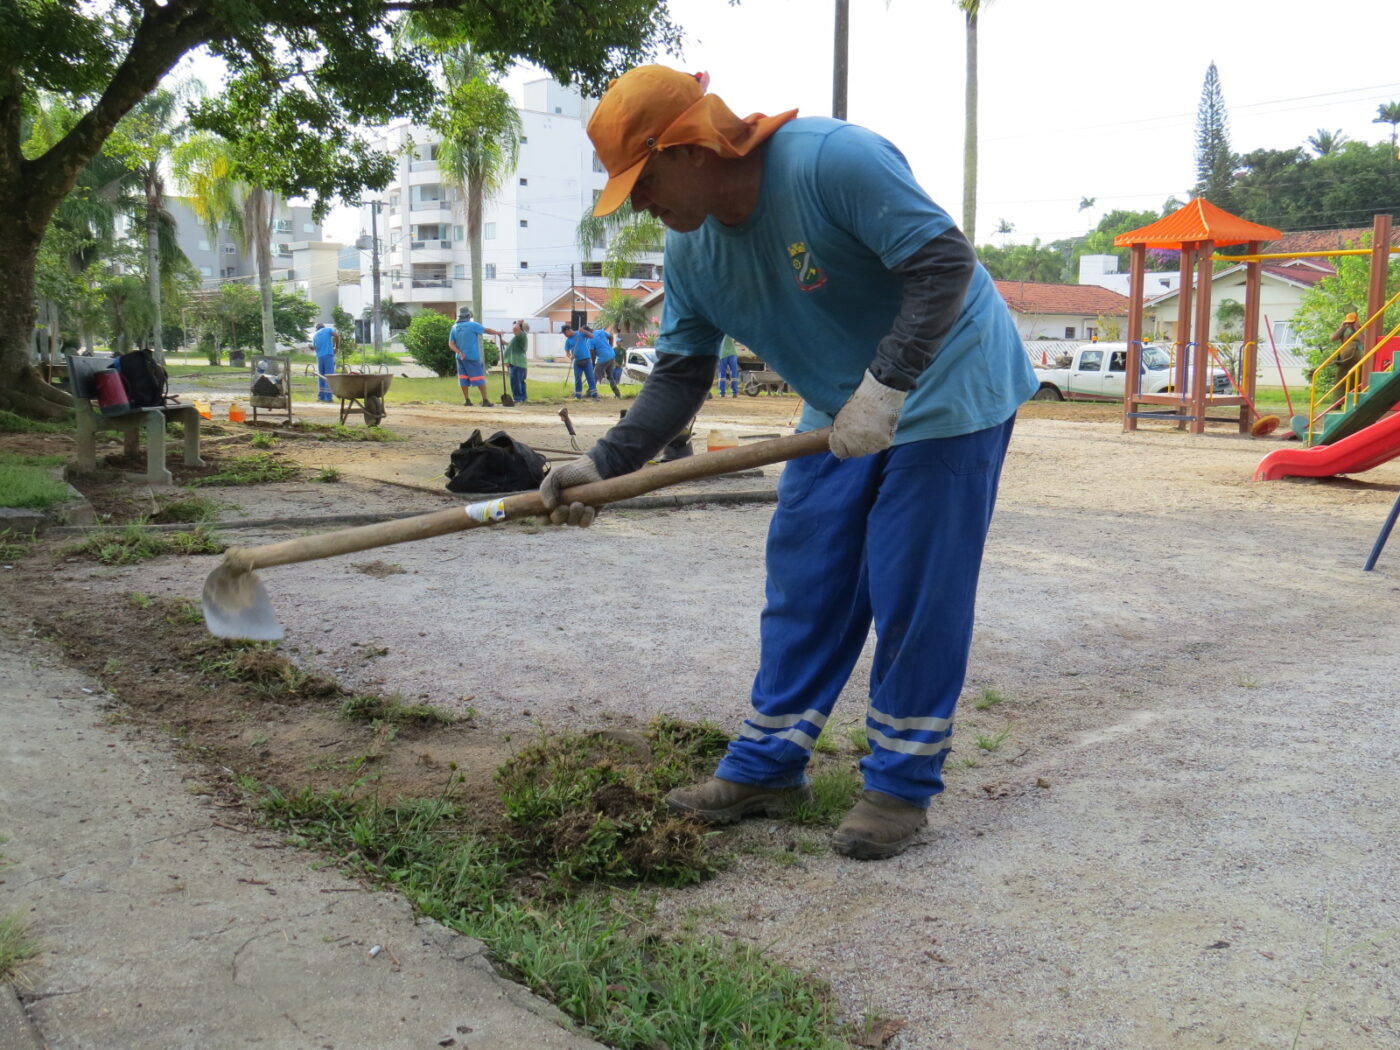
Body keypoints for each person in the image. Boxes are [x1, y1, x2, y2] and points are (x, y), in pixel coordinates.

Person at [538, 65, 1037, 861]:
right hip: (840, 403)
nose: (637, 201)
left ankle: (899, 788)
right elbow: (680, 373)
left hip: (948, 383)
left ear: (691, 147)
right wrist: (604, 462)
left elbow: (944, 265)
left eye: (643, 177)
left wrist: (888, 386)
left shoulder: (832, 162)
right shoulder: (691, 251)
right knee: (807, 577)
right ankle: (769, 764)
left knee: (913, 585)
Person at [450, 306, 505, 407]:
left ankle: (467, 400)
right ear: (469, 315)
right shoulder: (472, 325)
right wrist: (498, 333)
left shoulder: (454, 327)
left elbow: (451, 344)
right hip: (472, 356)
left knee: (463, 379)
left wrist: (459, 352)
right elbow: (486, 330)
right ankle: (485, 400)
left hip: (460, 357)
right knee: (479, 378)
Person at [584, 324, 622, 398]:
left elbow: (593, 354)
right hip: (612, 355)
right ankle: (617, 394)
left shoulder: (590, 340)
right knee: (610, 376)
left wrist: (592, 365)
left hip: (603, 358)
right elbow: (611, 337)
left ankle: (589, 392)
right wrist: (610, 347)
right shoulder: (600, 331)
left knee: (595, 376)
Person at [565, 323, 597, 399]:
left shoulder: (580, 333)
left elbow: (592, 336)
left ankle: (594, 395)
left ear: (568, 330)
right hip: (577, 362)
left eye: (565, 333)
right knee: (577, 379)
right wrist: (570, 356)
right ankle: (578, 395)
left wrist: (583, 330)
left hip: (587, 360)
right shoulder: (568, 340)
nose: (565, 335)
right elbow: (567, 352)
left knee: (590, 378)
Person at [503, 320, 530, 404]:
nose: (513, 328)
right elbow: (515, 347)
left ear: (521, 328)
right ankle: (523, 398)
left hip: (516, 363)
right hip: (520, 363)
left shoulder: (521, 335)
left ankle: (518, 398)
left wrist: (518, 323)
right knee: (520, 381)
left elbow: (515, 328)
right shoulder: (519, 337)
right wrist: (506, 343)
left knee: (515, 382)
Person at [1331, 311, 1362, 383]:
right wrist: (1341, 328)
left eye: (1352, 323)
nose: (1349, 325)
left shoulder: (1361, 329)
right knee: (1342, 378)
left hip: (1358, 358)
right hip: (1344, 358)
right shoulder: (1344, 330)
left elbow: (1364, 341)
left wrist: (1357, 329)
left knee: (1356, 379)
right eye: (1348, 323)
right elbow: (1333, 338)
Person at [312, 322, 337, 403]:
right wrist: (337, 347)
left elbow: (315, 348)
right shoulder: (328, 330)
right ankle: (328, 397)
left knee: (321, 377)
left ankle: (321, 397)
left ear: (317, 329)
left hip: (320, 357)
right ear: (323, 327)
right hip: (328, 355)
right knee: (329, 376)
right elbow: (337, 335)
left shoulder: (315, 335)